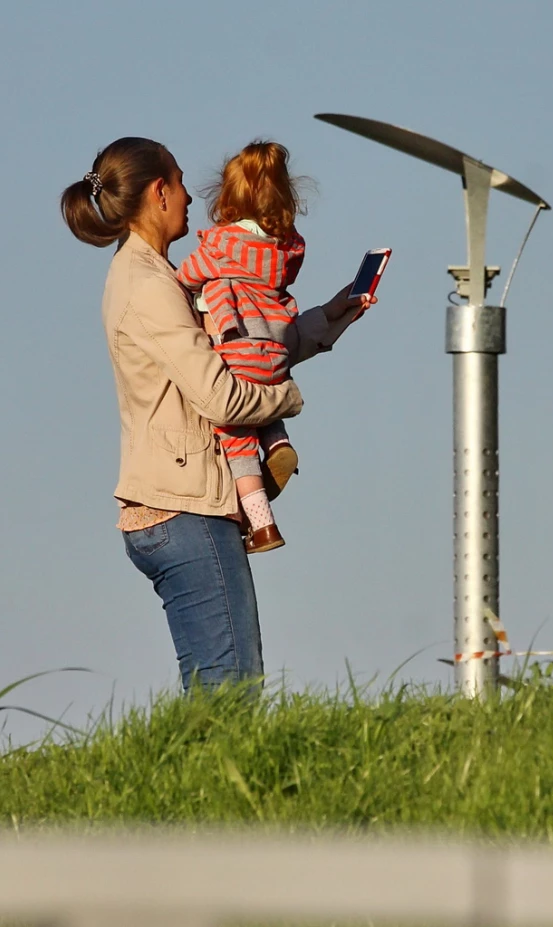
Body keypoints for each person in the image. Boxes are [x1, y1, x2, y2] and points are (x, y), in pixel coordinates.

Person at [60, 136, 373, 692]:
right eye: (180, 183)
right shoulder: (150, 285)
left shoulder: (157, 275)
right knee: (232, 687)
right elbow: (225, 398)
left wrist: (332, 316)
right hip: (184, 510)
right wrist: (288, 400)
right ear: (160, 192)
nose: (189, 198)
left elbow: (245, 349)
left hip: (177, 506)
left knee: (222, 683)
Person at [177, 140, 306, 555]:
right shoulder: (282, 252)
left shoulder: (220, 246)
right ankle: (279, 444)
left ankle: (263, 525)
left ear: (228, 198)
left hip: (235, 352)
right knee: (263, 399)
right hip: (275, 352)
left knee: (237, 442)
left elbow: (185, 275)